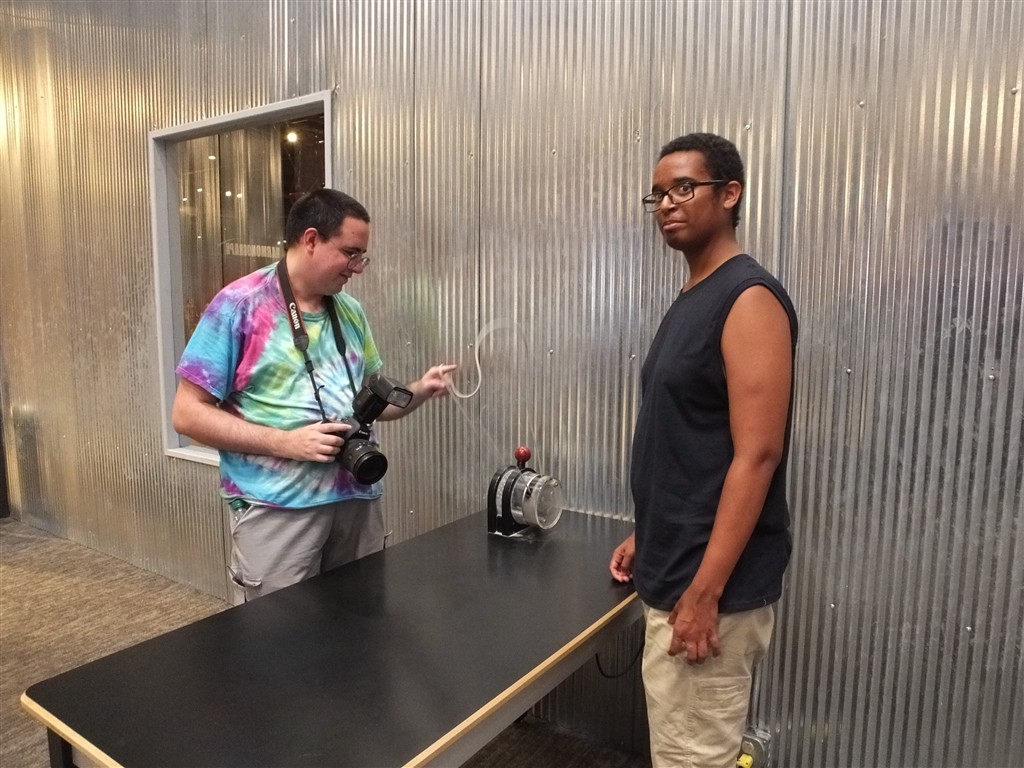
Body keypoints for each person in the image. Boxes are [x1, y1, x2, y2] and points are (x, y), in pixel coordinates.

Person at [609, 133, 798, 768]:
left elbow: (757, 456)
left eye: (684, 188)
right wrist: (650, 532)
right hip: (677, 561)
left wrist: (705, 591)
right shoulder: (698, 294)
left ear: (730, 193)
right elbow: (689, 440)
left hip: (707, 587)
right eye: (658, 194)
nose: (667, 203)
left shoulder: (748, 299)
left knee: (692, 757)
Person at [173, 188, 456, 604]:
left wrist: (422, 389)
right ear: (310, 239)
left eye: (362, 257)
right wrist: (286, 443)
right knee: (280, 635)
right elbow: (187, 415)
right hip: (279, 510)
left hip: (357, 502)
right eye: (350, 253)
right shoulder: (239, 306)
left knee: (360, 627)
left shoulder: (350, 312)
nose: (357, 268)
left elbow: (371, 406)